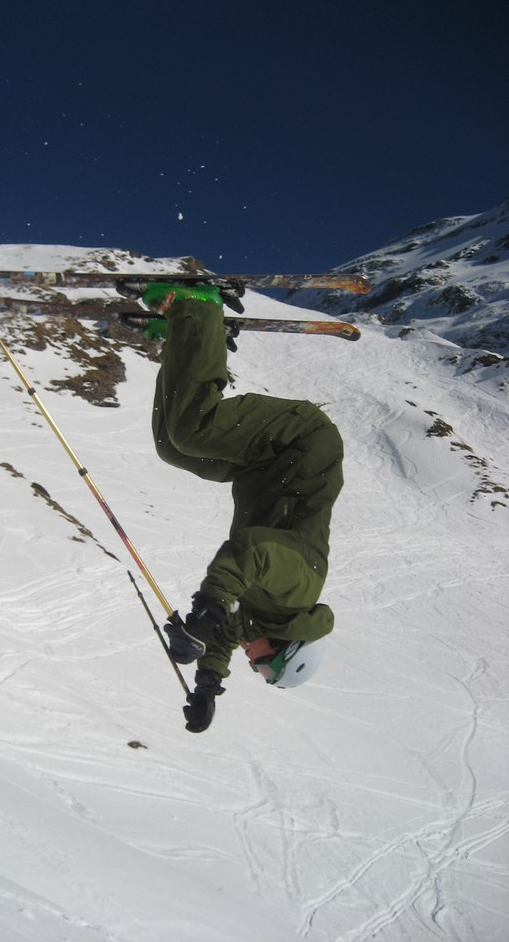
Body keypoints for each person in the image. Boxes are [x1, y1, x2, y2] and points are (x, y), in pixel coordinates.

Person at [141, 284, 344, 733]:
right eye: (266, 667)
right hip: (300, 444)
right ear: (285, 647)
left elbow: (226, 636)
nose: (255, 666)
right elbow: (252, 550)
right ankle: (199, 308)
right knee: (194, 431)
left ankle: (185, 337)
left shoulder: (264, 616)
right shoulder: (297, 590)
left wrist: (208, 684)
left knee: (172, 447)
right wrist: (206, 608)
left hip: (263, 469)